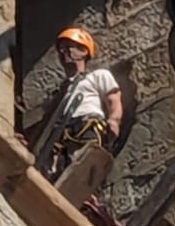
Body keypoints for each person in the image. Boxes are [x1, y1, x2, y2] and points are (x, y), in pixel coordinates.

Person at [31, 28, 126, 182]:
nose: (64, 52)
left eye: (69, 47)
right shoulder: (60, 93)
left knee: (81, 160)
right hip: (61, 129)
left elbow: (113, 98)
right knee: (55, 166)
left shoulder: (98, 76)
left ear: (83, 51)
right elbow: (46, 122)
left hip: (86, 123)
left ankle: (82, 189)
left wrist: (114, 120)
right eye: (62, 49)